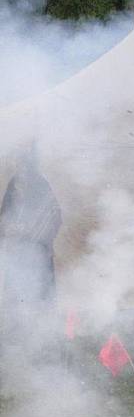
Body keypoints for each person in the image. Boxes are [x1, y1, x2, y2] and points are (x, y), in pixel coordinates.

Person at [0, 156, 62, 364]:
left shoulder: (41, 184)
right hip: (19, 255)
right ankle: (20, 343)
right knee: (18, 300)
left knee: (41, 301)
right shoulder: (14, 186)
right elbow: (4, 220)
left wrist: (37, 240)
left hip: (38, 255)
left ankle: (41, 344)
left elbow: (54, 216)